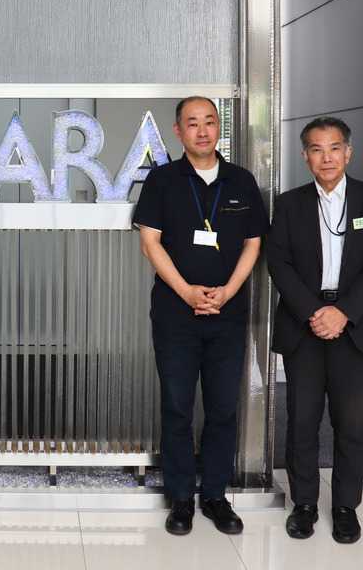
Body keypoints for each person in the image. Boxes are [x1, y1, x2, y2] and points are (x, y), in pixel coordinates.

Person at [132, 96, 268, 535]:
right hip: (176, 314)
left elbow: (253, 243)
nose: (203, 130)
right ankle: (180, 499)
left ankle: (214, 495)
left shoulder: (241, 181)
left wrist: (227, 292)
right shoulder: (162, 180)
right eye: (193, 123)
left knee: (223, 407)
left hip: (227, 315)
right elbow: (150, 243)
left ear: (218, 128)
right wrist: (187, 291)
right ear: (178, 131)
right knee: (177, 407)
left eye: (209, 121)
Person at [268, 116, 363, 544]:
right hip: (304, 323)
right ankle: (304, 504)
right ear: (305, 156)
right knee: (302, 418)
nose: (327, 157)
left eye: (335, 148)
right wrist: (314, 311)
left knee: (350, 420)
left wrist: (343, 312)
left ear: (348, 153)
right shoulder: (289, 204)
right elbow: (279, 263)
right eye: (317, 149)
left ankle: (345, 507)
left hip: (355, 323)